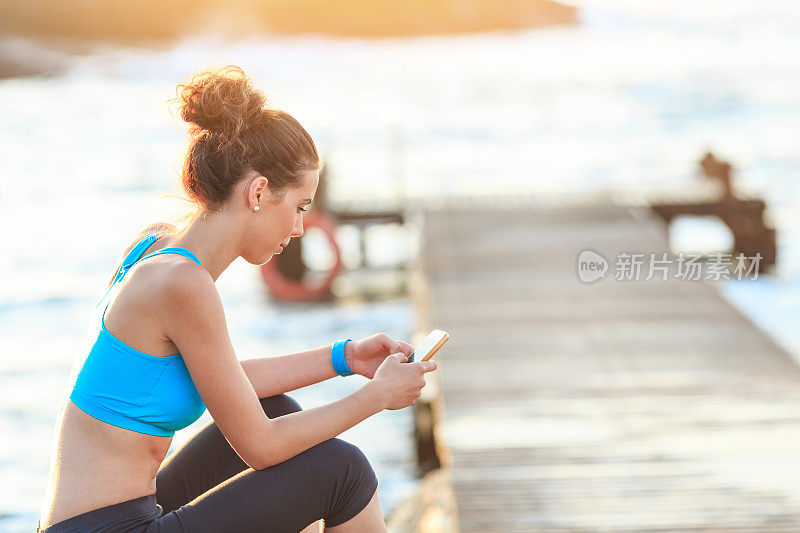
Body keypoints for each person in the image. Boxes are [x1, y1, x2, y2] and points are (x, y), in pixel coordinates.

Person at [36, 65, 437, 533]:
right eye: (299, 207)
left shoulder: (157, 248)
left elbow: (223, 381)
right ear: (259, 192)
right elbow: (261, 447)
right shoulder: (182, 284)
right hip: (109, 529)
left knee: (275, 409)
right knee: (341, 472)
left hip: (119, 515)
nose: (299, 228)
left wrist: (344, 357)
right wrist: (377, 396)